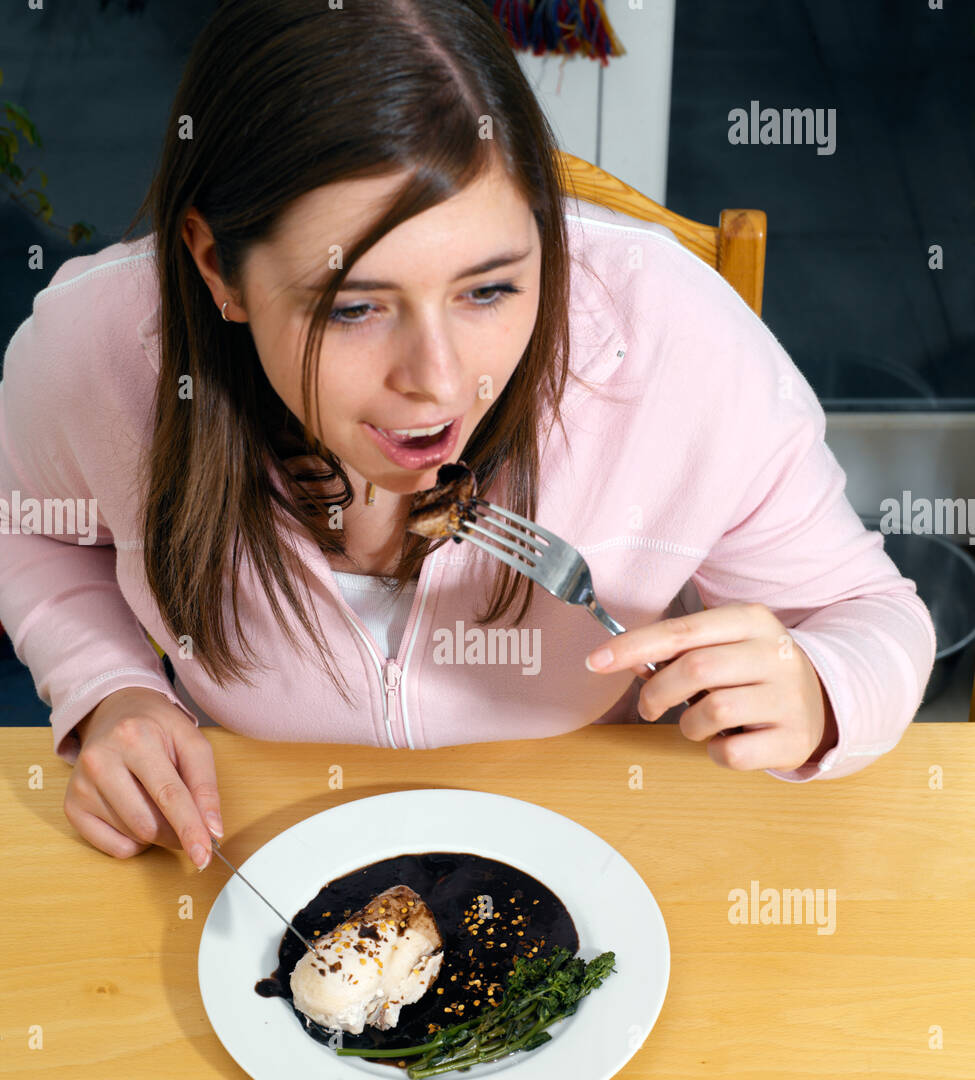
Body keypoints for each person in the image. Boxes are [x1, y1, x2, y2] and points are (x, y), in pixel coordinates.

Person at [0, 0, 936, 873]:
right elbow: (28, 527)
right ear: (217, 266)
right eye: (355, 306)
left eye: (489, 289)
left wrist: (819, 688)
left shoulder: (677, 338)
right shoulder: (98, 347)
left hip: (609, 843)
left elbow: (869, 615)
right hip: (251, 849)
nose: (440, 381)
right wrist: (111, 686)